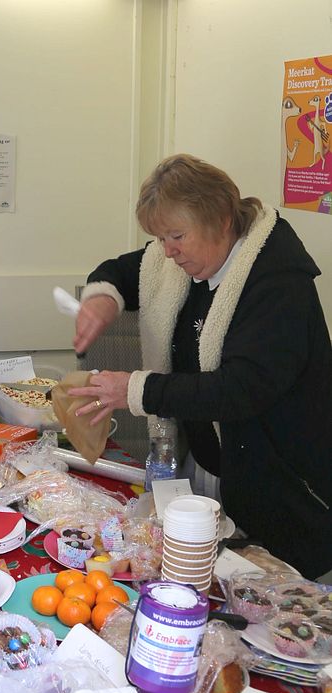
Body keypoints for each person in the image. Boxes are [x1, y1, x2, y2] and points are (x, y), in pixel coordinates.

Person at [69, 153, 332, 580]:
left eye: (176, 236)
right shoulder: (183, 259)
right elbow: (123, 270)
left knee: (278, 599)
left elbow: (239, 389)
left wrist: (136, 390)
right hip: (214, 467)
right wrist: (103, 297)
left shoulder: (278, 282)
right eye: (160, 238)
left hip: (285, 482)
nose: (167, 253)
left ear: (222, 219)